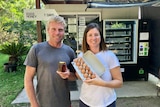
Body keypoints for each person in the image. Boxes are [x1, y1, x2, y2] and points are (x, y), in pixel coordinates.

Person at [24, 15, 77, 107]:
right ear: (48, 30)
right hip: (43, 103)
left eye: (60, 30)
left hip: (64, 103)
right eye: (53, 29)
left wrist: (68, 74)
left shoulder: (69, 51)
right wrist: (34, 103)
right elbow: (28, 79)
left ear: (64, 32)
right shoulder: (37, 49)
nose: (57, 33)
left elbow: (75, 77)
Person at [76, 23, 123, 107]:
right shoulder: (81, 56)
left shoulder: (110, 56)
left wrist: (102, 83)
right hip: (86, 101)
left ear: (101, 37)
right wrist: (78, 71)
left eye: (96, 35)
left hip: (107, 102)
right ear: (85, 38)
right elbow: (80, 77)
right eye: (90, 35)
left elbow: (119, 82)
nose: (93, 38)